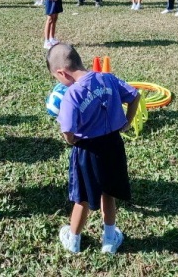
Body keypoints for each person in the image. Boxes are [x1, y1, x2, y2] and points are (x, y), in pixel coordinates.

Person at [46, 43, 141, 254]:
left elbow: (67, 131)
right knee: (109, 192)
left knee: (82, 198)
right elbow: (135, 96)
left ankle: (73, 240)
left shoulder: (71, 95)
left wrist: (72, 141)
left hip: (87, 151)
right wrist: (127, 121)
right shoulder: (108, 78)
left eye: (56, 78)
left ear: (62, 73)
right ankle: (109, 240)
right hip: (114, 145)